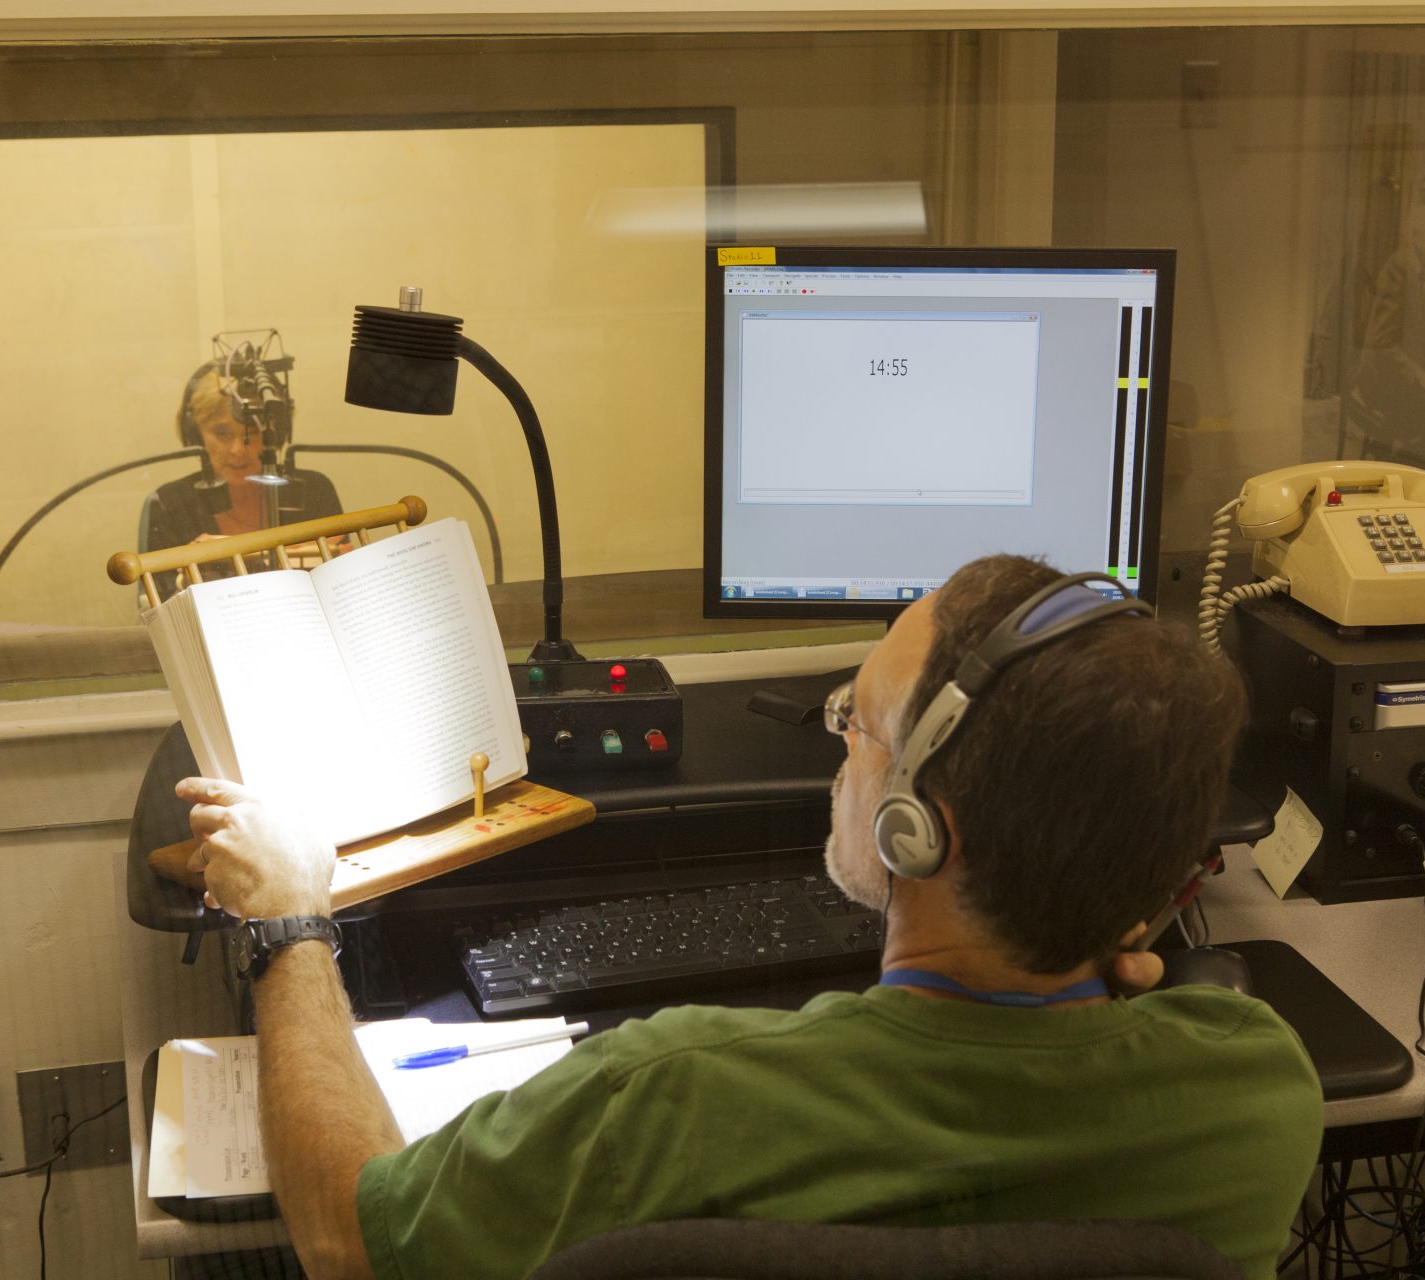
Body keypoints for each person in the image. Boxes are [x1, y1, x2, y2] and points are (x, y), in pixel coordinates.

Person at [178, 553, 1324, 1280]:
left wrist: (292, 917)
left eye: (859, 724)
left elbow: (344, 1237)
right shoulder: (1252, 1094)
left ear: (921, 827)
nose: (840, 747)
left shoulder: (670, 1095)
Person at [143, 361, 345, 560]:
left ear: (276, 432)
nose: (238, 450)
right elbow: (161, 591)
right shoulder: (169, 504)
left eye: (254, 431)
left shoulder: (314, 491)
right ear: (196, 435)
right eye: (221, 432)